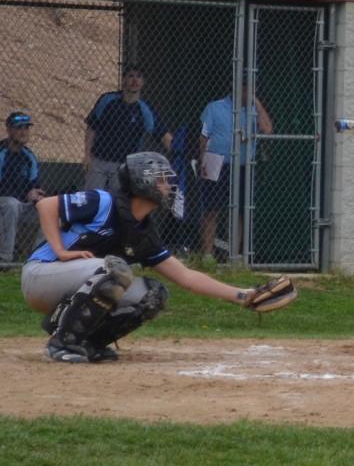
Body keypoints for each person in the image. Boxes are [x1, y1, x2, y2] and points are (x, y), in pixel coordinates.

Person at [20, 151, 264, 363]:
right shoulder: (104, 201)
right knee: (116, 271)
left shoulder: (143, 231)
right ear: (143, 180)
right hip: (41, 274)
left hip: (81, 279)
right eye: (162, 180)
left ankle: (87, 341)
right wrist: (61, 251)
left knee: (153, 295)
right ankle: (61, 343)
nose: (168, 186)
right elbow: (47, 205)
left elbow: (186, 277)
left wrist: (244, 296)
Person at [198, 73, 272, 260]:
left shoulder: (254, 110)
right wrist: (202, 161)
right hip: (216, 162)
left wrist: (257, 103)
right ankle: (208, 254)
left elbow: (267, 129)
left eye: (251, 88)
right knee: (211, 209)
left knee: (239, 210)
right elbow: (203, 137)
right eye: (245, 87)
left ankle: (234, 254)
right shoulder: (215, 107)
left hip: (243, 166)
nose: (247, 92)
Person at [84, 64, 173, 193]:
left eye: (139, 77)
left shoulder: (144, 110)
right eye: (131, 76)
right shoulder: (107, 100)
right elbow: (92, 128)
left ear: (143, 82)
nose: (135, 80)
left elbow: (165, 137)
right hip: (99, 161)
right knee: (93, 203)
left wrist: (178, 158)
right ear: (123, 80)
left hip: (124, 166)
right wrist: (87, 155)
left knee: (118, 205)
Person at [0, 111, 45, 264]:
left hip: (22, 204)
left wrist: (36, 194)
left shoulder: (29, 156)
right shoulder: (2, 152)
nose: (23, 132)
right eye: (19, 128)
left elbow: (35, 185)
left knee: (48, 208)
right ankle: (5, 259)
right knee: (12, 204)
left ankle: (36, 258)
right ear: (9, 130)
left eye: (26, 128)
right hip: (4, 202)